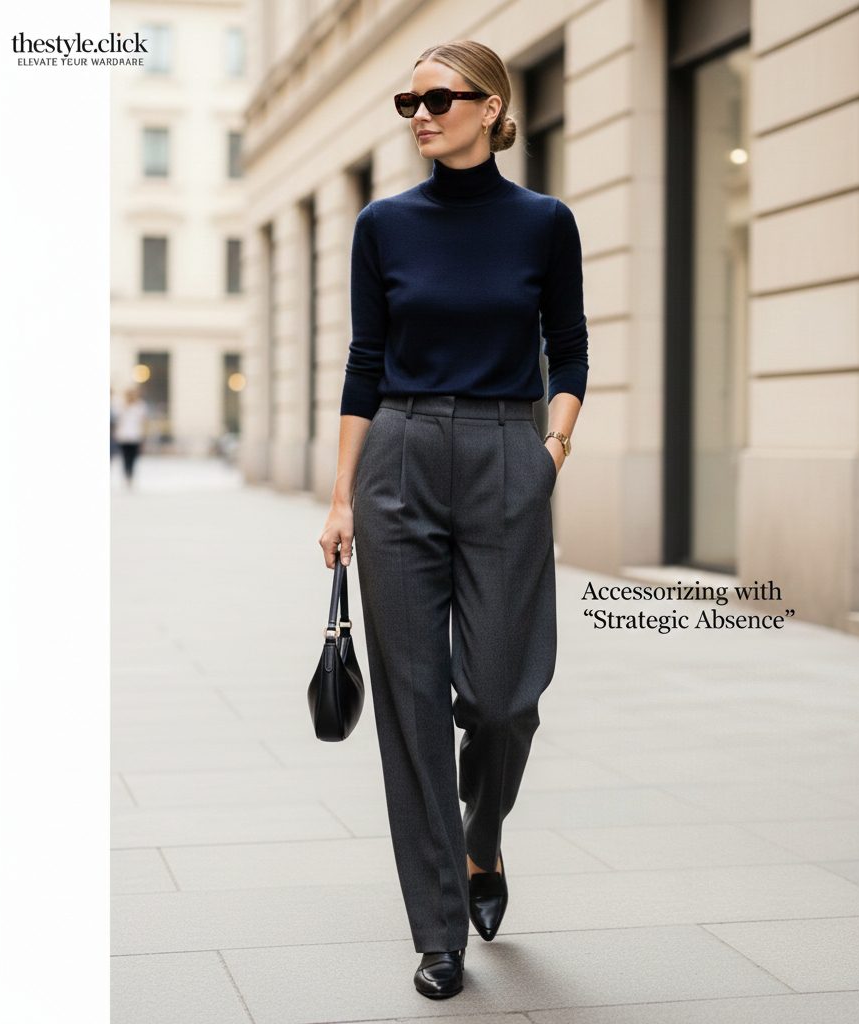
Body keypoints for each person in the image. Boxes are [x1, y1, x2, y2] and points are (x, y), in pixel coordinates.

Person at [318, 39, 588, 1000]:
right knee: (413, 701)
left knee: (507, 696)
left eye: (438, 97)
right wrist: (344, 494)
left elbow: (571, 349)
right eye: (409, 101)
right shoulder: (382, 225)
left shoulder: (544, 224)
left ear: (490, 106)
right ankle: (437, 931)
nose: (421, 114)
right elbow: (362, 362)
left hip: (509, 452)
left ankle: (484, 838)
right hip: (397, 457)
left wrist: (549, 451)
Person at [113, 387, 149, 489]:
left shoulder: (140, 406)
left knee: (133, 458)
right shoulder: (121, 405)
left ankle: (131, 475)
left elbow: (143, 422)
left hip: (135, 436)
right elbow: (117, 421)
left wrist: (144, 436)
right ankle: (126, 475)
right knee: (125, 457)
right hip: (123, 436)